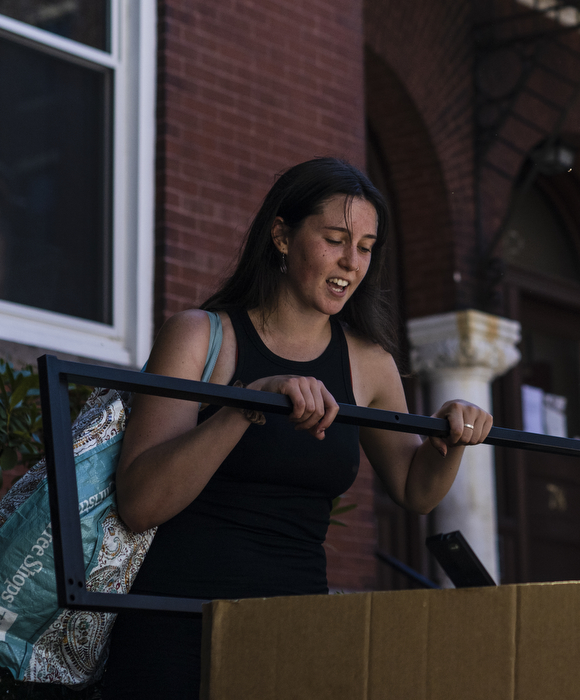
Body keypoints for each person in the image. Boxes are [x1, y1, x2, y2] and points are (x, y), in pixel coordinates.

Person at [101, 158, 492, 699]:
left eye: (365, 246)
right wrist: (247, 404)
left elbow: (415, 490)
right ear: (282, 236)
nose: (351, 263)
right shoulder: (199, 337)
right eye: (334, 239)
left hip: (298, 632)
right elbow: (140, 502)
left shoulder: (370, 363)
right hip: (178, 623)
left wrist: (452, 437)